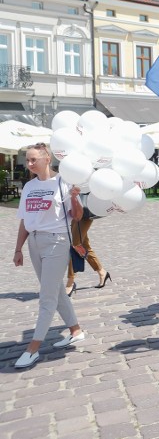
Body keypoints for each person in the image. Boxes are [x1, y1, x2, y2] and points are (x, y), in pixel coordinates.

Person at [12, 142, 85, 369]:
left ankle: (32, 348)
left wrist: (74, 197)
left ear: (47, 159)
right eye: (27, 160)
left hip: (56, 241)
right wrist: (18, 248)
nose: (29, 164)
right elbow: (25, 220)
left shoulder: (63, 182)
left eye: (34, 159)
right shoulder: (29, 187)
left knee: (47, 296)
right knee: (54, 290)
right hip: (35, 242)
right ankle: (75, 331)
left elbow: (78, 215)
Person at [64, 203, 110, 296]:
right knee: (84, 245)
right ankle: (102, 272)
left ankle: (70, 281)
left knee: (76, 244)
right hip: (75, 209)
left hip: (86, 209)